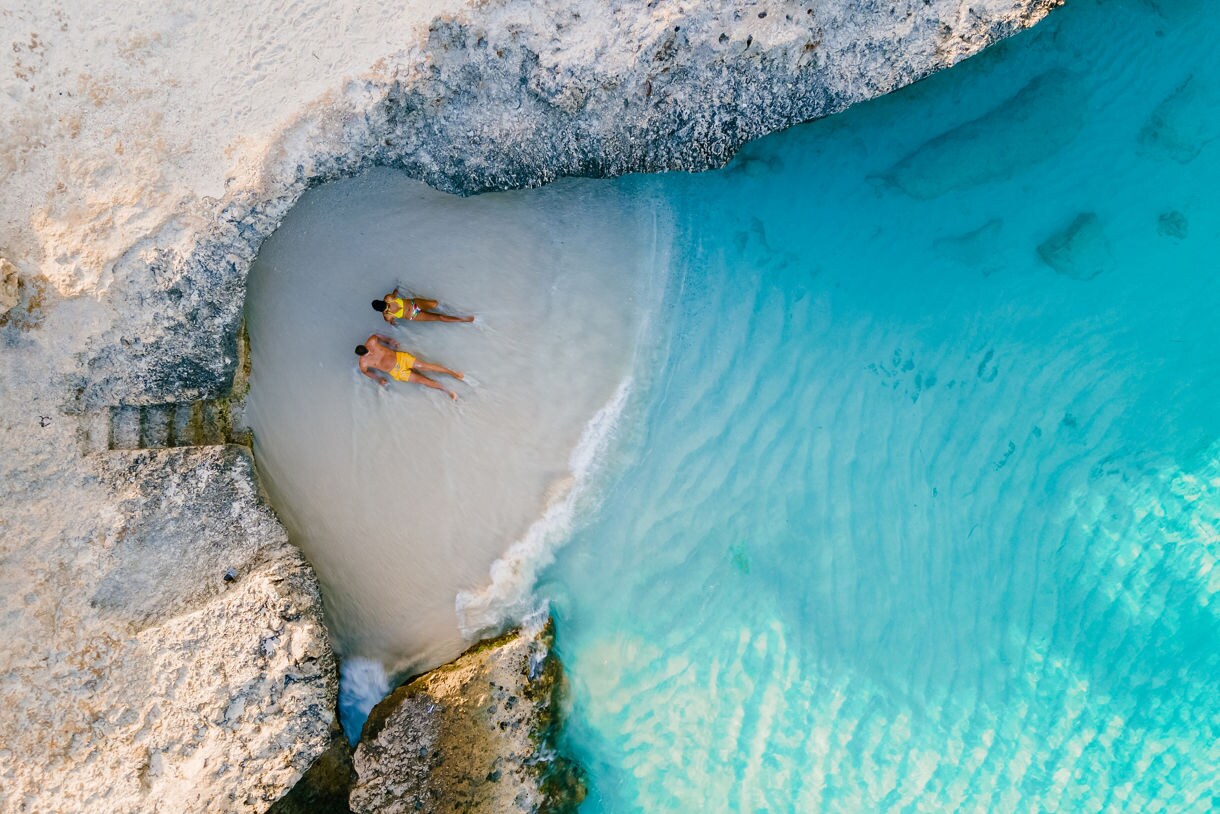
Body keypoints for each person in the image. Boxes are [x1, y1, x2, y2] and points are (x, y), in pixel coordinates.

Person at [355, 334, 463, 400]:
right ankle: (447, 391)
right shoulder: (363, 362)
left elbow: (377, 335)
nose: (370, 354)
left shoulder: (371, 342)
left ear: (366, 346)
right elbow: (365, 372)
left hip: (401, 358)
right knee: (422, 380)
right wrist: (378, 379)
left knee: (426, 366)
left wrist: (390, 341)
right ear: (362, 356)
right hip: (396, 372)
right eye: (367, 354)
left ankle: (453, 373)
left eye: (369, 351)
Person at [372, 287, 475, 325]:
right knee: (436, 304)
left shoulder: (387, 316)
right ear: (382, 301)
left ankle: (464, 319)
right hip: (414, 305)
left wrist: (394, 325)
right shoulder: (388, 298)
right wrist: (398, 287)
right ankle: (461, 313)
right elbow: (395, 292)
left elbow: (392, 322)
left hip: (413, 315)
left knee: (439, 317)